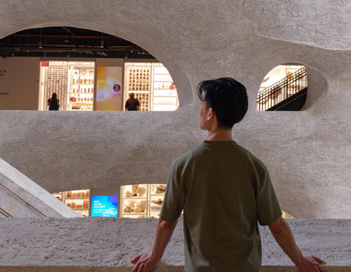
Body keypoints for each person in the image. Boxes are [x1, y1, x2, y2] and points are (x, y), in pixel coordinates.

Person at [131, 78, 326, 272]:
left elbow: (167, 223)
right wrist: (300, 260)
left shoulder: (183, 165)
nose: (199, 111)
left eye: (202, 105)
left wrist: (154, 256)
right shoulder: (253, 165)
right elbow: (277, 226)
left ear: (210, 113)